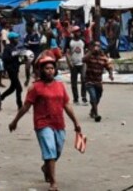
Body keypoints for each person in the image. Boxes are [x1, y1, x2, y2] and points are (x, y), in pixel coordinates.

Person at [9, 54, 81, 191]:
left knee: (57, 150)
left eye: (52, 68)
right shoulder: (36, 87)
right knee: (50, 150)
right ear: (41, 70)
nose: (50, 71)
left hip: (59, 123)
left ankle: (46, 167)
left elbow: (67, 105)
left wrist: (76, 122)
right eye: (47, 68)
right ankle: (53, 183)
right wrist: (15, 121)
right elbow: (26, 106)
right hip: (42, 123)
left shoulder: (60, 86)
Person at [83, 41, 114, 122]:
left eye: (98, 46)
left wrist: (111, 75)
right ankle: (96, 114)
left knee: (98, 97)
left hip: (98, 81)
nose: (97, 48)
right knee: (93, 96)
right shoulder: (89, 55)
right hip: (89, 80)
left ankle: (92, 110)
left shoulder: (103, 57)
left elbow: (109, 66)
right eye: (95, 46)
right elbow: (83, 60)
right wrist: (91, 51)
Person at [0, 32, 24, 109]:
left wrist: (22, 61)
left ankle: (0, 98)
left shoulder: (14, 48)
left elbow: (17, 60)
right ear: (12, 39)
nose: (17, 40)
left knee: (12, 88)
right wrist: (15, 55)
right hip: (11, 70)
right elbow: (5, 58)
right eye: (16, 38)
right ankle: (20, 105)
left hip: (15, 69)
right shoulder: (7, 48)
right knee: (19, 88)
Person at [66, 27, 87, 106]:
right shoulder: (70, 42)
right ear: (73, 33)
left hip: (82, 63)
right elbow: (67, 53)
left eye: (79, 31)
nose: (78, 33)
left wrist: (86, 60)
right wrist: (69, 62)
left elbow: (86, 50)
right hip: (74, 64)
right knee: (74, 82)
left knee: (84, 80)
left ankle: (84, 98)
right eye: (76, 32)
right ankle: (76, 99)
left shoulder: (83, 41)